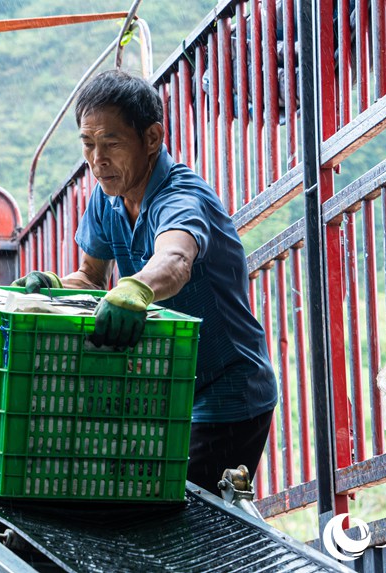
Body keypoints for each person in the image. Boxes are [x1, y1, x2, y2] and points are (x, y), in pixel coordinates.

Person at [14, 69, 277, 495]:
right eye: (87, 144)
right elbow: (90, 277)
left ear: (152, 138)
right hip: (170, 387)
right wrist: (54, 288)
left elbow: (174, 260)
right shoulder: (107, 197)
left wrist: (135, 288)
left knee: (191, 522)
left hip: (230, 393)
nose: (96, 159)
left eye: (111, 143)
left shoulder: (180, 196)